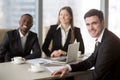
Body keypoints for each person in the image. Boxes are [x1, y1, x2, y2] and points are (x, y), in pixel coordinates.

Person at [51, 9, 120, 80]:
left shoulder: (110, 42)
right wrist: (68, 67)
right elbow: (90, 61)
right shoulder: (103, 37)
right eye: (88, 24)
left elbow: (97, 75)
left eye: (94, 23)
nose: (91, 28)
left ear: (102, 22)